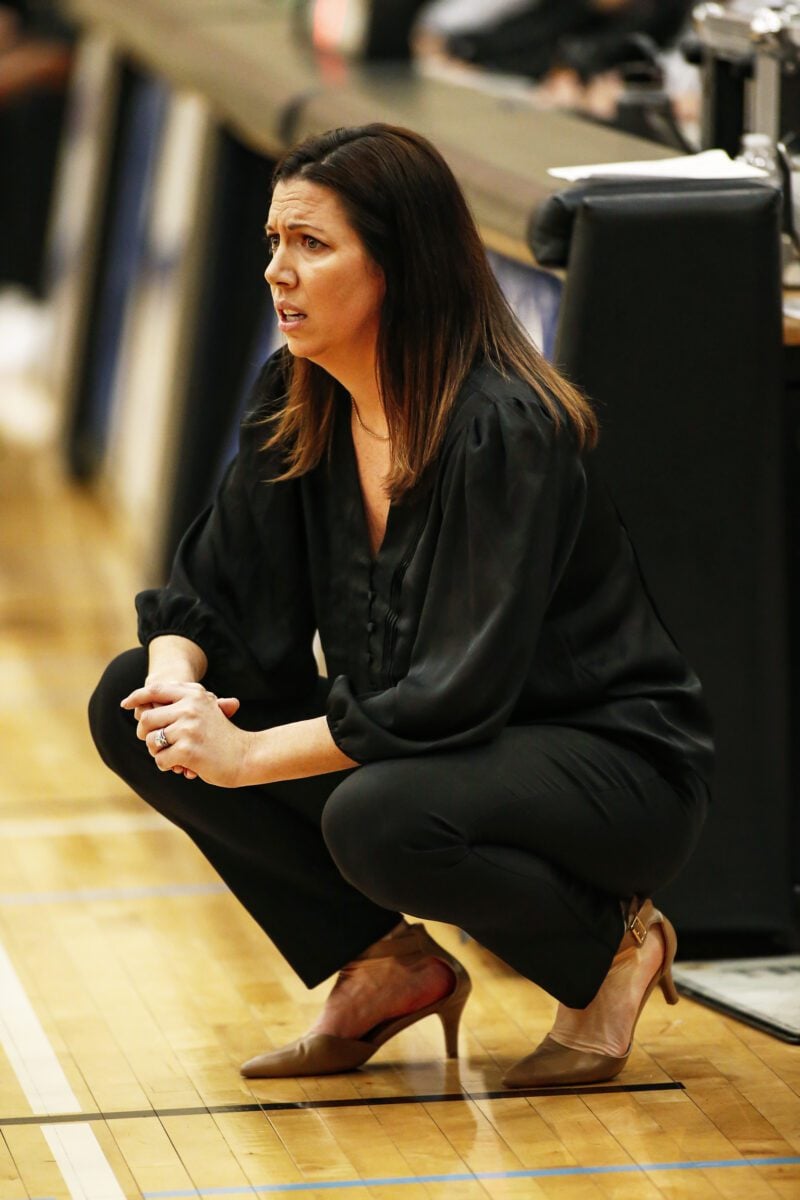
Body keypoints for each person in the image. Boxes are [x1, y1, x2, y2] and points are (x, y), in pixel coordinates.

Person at [89, 122, 713, 1087]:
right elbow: (209, 591)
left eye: (311, 244)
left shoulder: (504, 426)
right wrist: (178, 689)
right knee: (132, 696)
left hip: (609, 766)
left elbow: (451, 698)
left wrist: (248, 754)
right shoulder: (296, 393)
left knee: (380, 818)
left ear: (400, 265)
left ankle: (615, 947)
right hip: (440, 752)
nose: (276, 273)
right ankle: (388, 966)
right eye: (272, 243)